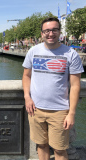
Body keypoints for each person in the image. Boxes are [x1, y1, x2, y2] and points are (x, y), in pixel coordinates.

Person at [22, 17, 84, 160]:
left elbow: (75, 85)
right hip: (35, 109)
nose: (51, 34)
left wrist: (72, 113)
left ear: (59, 32)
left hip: (60, 111)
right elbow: (26, 76)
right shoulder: (33, 51)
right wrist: (27, 97)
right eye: (47, 31)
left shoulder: (71, 54)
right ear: (42, 33)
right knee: (41, 146)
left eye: (54, 30)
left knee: (60, 150)